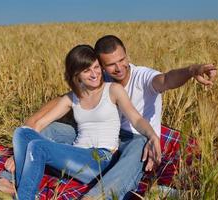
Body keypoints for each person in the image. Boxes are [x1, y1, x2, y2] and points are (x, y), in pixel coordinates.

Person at [3, 35, 217, 199]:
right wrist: (29, 132)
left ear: (127, 55)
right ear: (102, 65)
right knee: (38, 132)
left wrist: (191, 71)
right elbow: (66, 98)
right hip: (96, 137)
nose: (119, 67)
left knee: (134, 155)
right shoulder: (97, 79)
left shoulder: (140, 78)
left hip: (135, 138)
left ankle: (98, 196)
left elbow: (166, 80)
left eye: (122, 60)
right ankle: (5, 182)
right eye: (110, 65)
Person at [13, 44, 161, 200]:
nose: (94, 74)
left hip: (100, 159)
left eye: (96, 67)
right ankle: (20, 188)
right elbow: (40, 124)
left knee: (37, 147)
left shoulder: (113, 90)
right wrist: (19, 153)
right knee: (21, 132)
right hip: (76, 154)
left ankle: (24, 197)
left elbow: (136, 118)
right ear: (77, 76)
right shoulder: (72, 98)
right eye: (87, 71)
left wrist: (152, 136)